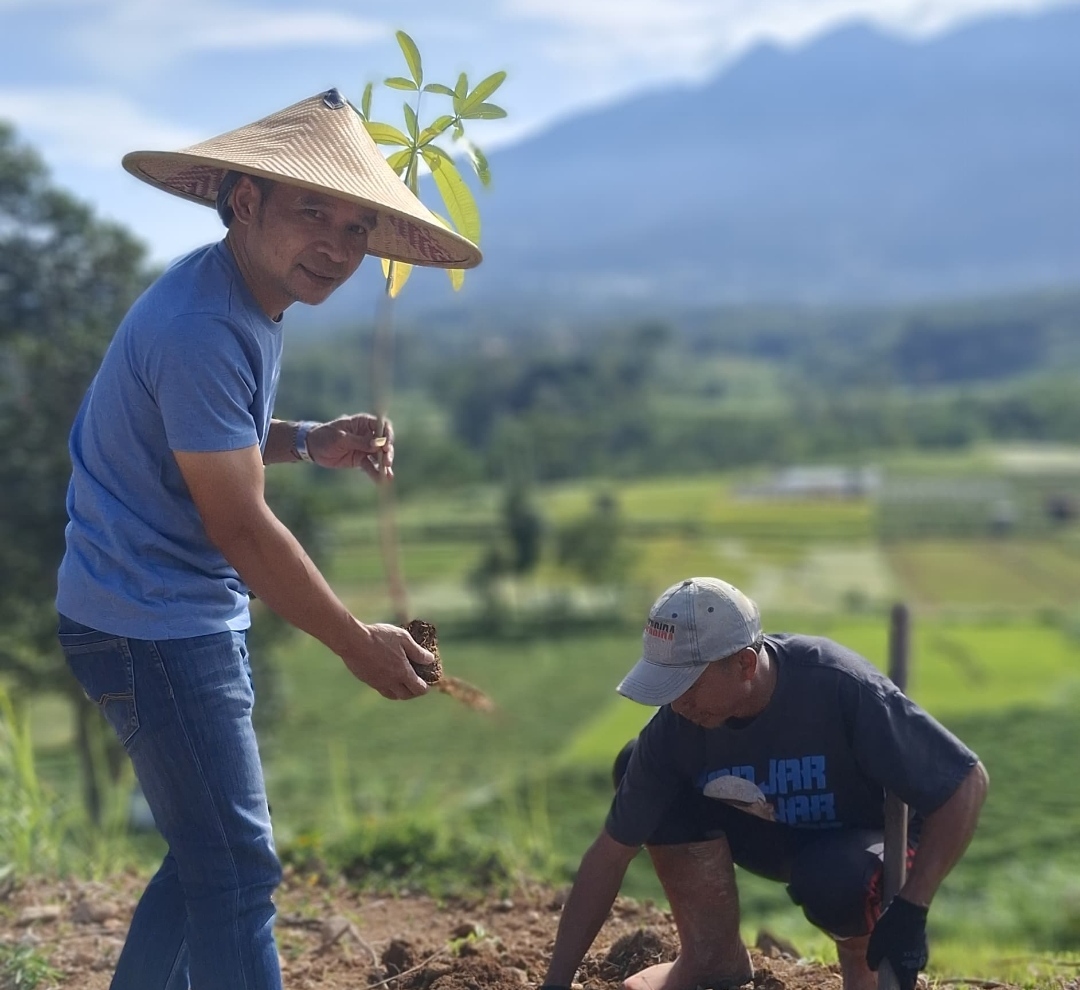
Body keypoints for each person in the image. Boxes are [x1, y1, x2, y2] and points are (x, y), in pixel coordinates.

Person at [55, 89, 481, 990]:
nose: (337, 246)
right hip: (155, 624)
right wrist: (355, 642)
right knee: (237, 875)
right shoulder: (205, 327)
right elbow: (240, 524)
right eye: (313, 212)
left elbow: (207, 443)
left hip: (152, 609)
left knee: (205, 858)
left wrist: (309, 440)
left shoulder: (238, 295)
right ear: (245, 200)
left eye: (358, 226)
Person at [541, 577, 988, 990]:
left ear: (744, 664)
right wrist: (555, 983)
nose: (678, 705)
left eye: (688, 686)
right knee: (636, 764)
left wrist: (912, 906)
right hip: (775, 828)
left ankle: (862, 965)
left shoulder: (838, 686)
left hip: (865, 843)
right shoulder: (678, 726)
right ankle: (711, 959)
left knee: (833, 878)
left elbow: (967, 781)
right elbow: (610, 854)